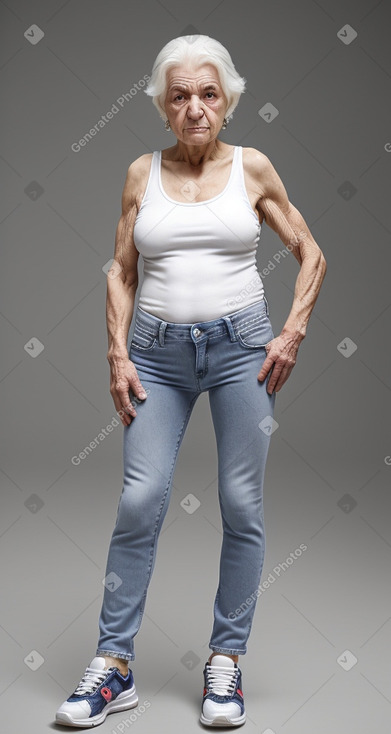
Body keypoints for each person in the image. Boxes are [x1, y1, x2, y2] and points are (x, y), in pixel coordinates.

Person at [55, 34, 326, 729]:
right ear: (162, 105)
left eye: (208, 93)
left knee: (241, 503)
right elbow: (120, 269)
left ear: (226, 100)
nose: (194, 107)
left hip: (240, 351)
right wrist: (116, 354)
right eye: (179, 95)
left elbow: (310, 253)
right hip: (155, 356)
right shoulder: (140, 174)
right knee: (140, 500)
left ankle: (226, 662)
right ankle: (114, 665)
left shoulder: (253, 168)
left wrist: (290, 331)